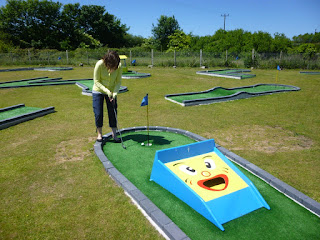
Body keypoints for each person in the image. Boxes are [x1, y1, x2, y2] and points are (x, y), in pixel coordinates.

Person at [92, 51, 122, 142]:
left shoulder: (119, 66)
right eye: (113, 66)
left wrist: (115, 93)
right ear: (108, 62)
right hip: (98, 91)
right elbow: (96, 81)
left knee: (113, 112)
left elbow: (118, 82)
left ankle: (114, 134)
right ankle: (99, 134)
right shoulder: (99, 64)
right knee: (98, 113)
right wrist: (107, 91)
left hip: (112, 91)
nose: (114, 68)